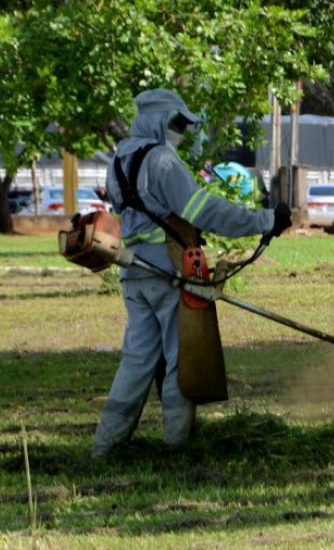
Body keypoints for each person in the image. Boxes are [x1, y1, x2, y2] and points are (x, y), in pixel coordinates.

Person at [92, 88, 292, 459]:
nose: (181, 130)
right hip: (169, 273)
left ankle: (104, 448)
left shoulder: (119, 158)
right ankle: (177, 447)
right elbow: (204, 211)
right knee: (181, 359)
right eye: (177, 122)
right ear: (158, 120)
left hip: (134, 272)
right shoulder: (162, 160)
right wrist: (266, 220)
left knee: (136, 361)